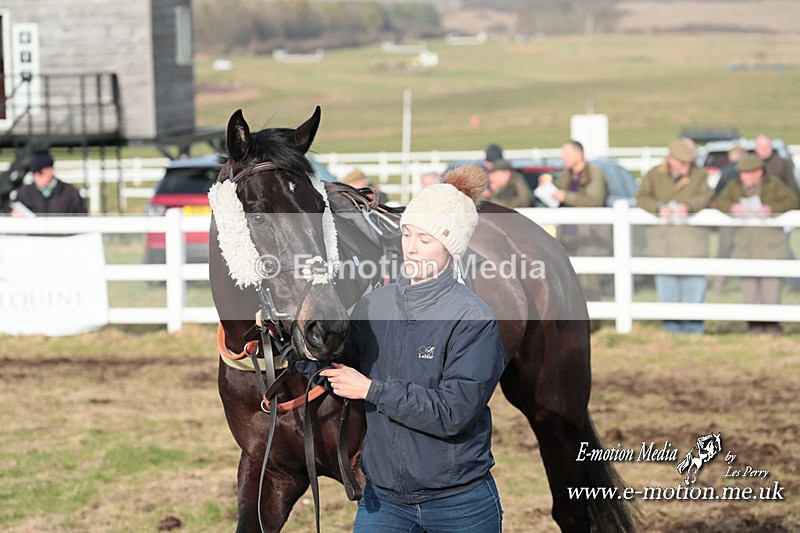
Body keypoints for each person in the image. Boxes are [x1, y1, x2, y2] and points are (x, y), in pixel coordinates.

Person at [321, 164, 506, 533]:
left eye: (425, 239)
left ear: (450, 247)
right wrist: (285, 333)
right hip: (384, 501)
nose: (411, 247)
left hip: (459, 503)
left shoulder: (472, 318)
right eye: (407, 234)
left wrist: (373, 390)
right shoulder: (374, 306)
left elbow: (453, 411)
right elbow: (334, 370)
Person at [713, 154, 799, 335]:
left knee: (771, 289)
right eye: (744, 174)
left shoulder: (773, 185)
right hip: (746, 246)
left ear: (759, 172)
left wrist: (771, 208)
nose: (746, 177)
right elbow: (719, 200)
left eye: (750, 173)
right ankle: (754, 326)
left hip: (770, 247)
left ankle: (773, 325)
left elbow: (792, 200)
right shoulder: (734, 187)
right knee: (750, 290)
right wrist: (732, 207)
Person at [636, 139, 713, 334]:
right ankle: (671, 329)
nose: (686, 166)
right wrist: (657, 208)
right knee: (667, 289)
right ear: (671, 159)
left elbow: (706, 196)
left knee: (694, 288)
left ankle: (695, 328)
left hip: (692, 242)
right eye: (682, 162)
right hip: (663, 243)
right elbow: (641, 197)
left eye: (688, 162)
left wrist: (688, 206)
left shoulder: (700, 175)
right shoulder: (653, 175)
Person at [547, 140, 610, 300]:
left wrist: (564, 195)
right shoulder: (565, 175)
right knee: (569, 278)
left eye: (566, 154)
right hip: (568, 233)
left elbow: (594, 200)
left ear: (578, 154)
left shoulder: (595, 174)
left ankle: (592, 319)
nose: (563, 158)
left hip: (589, 235)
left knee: (589, 279)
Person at [710, 145, 746, 293]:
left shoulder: (726, 171)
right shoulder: (751, 170)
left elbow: (716, 194)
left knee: (724, 251)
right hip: (743, 217)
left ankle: (718, 284)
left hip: (729, 217)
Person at [11, 152, 87, 215]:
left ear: (51, 170)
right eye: (34, 172)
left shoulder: (70, 192)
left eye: (40, 172)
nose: (36, 176)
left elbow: (82, 216)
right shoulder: (24, 193)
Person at [754, 133, 800, 198]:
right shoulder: (750, 164)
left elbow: (792, 185)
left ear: (771, 146)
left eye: (766, 146)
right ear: (756, 148)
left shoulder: (783, 163)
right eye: (761, 146)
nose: (764, 149)